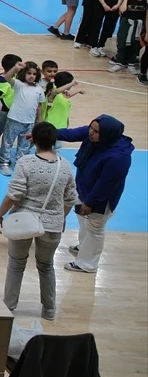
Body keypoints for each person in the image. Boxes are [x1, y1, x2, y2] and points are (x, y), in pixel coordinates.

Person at [0, 122, 78, 321]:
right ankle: (49, 310)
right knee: (46, 266)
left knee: (16, 264)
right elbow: (70, 199)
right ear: (54, 141)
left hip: (24, 221)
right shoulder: (65, 165)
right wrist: (62, 217)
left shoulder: (26, 162)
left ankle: (9, 306)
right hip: (53, 224)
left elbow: (14, 194)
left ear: (35, 140)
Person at [60, 115, 133, 274]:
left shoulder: (118, 157)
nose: (90, 133)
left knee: (94, 228)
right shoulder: (95, 138)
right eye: (90, 128)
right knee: (83, 221)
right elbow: (71, 134)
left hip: (99, 200)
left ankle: (87, 264)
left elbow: (106, 184)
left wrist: (90, 203)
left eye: (96, 131)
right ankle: (84, 247)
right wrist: (43, 134)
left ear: (107, 134)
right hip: (84, 190)